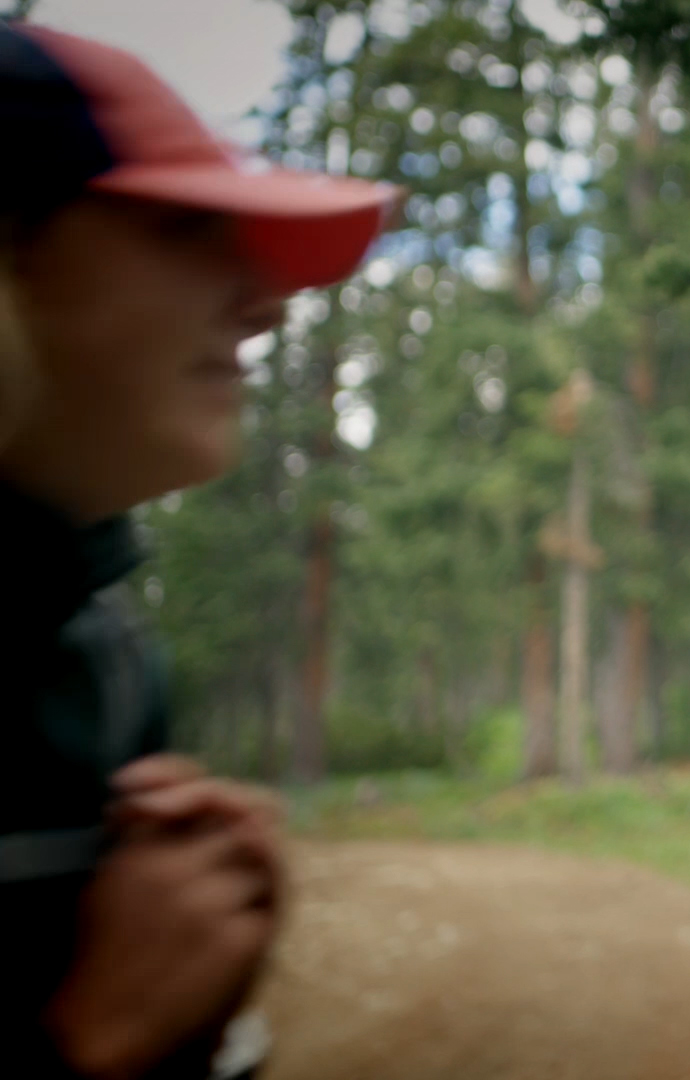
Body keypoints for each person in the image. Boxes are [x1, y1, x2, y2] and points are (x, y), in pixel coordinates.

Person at [1, 22, 398, 1078]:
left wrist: (191, 1026)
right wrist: (95, 1046)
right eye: (183, 228)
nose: (267, 308)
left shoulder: (104, 660)